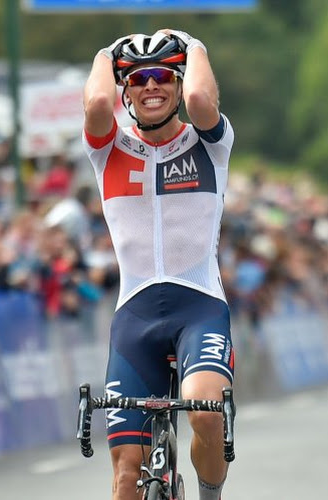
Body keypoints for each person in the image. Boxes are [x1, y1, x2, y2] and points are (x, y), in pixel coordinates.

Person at [83, 30, 235, 500]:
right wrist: (106, 54)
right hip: (136, 317)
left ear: (177, 83)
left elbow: (199, 96)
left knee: (205, 412)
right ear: (125, 90)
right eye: (140, 79)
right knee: (127, 477)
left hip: (200, 309)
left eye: (162, 77)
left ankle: (209, 494)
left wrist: (194, 47)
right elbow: (95, 107)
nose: (151, 86)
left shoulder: (210, 144)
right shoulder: (107, 150)